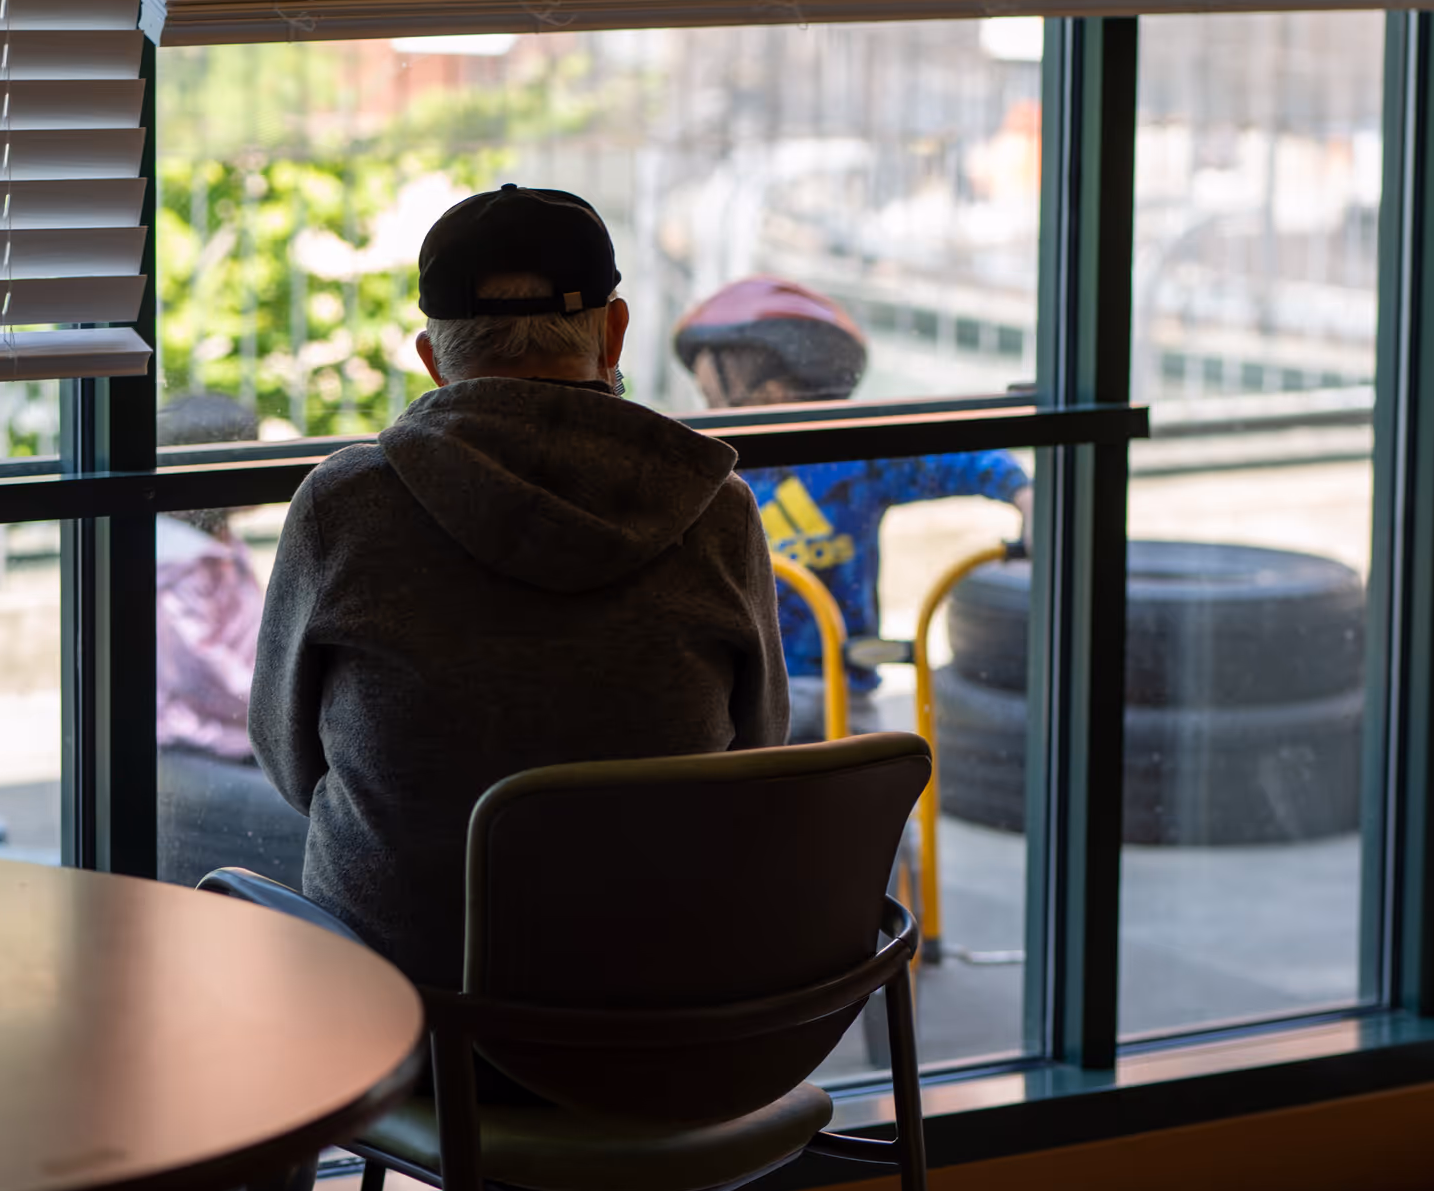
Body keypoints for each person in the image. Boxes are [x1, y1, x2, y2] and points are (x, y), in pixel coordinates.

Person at [250, 184, 790, 989]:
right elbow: (758, 746)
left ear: (432, 357)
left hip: (413, 1012)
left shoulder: (346, 505)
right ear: (614, 332)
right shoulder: (717, 508)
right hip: (665, 1001)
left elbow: (289, 760)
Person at [675, 276, 1033, 743]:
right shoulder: (715, 469)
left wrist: (1025, 494)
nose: (709, 416)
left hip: (841, 684)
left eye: (714, 399)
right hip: (749, 688)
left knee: (867, 775)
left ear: (774, 392)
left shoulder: (854, 457)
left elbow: (958, 456)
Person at [155, 394, 308, 888]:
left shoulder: (216, 544)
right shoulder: (177, 562)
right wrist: (277, 703)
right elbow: (202, 669)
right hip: (196, 743)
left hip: (241, 731)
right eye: (248, 450)